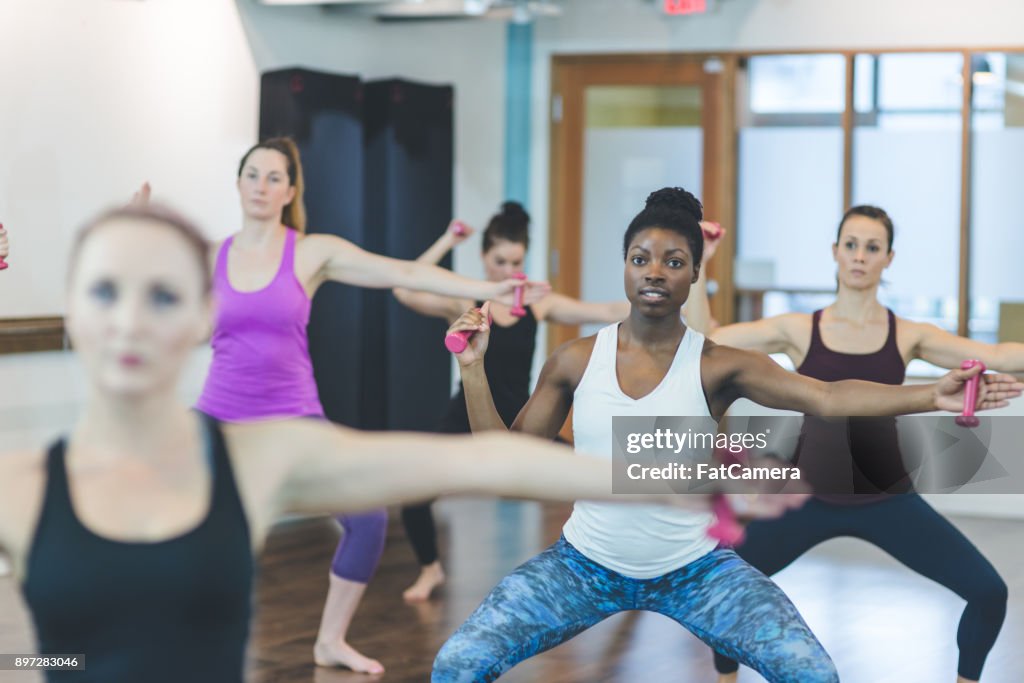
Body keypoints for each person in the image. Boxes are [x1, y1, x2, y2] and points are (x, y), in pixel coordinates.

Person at [0, 204, 806, 683]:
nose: (130, 318)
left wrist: (672, 479)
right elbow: (58, 661)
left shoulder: (261, 460)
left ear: (203, 317)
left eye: (163, 293)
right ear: (69, 308)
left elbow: (488, 456)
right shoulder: (17, 484)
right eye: (104, 289)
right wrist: (50, 669)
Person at [430, 189, 1021, 683]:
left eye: (674, 261)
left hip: (697, 571)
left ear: (693, 274)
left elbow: (827, 396)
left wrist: (929, 394)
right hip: (584, 565)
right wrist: (472, 369)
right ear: (626, 265)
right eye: (641, 259)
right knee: (457, 664)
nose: (655, 272)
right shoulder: (575, 359)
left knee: (813, 673)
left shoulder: (718, 364)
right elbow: (505, 462)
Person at [142, 138, 547, 673]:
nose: (261, 186)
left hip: (294, 418)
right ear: (238, 183)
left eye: (273, 177)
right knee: (149, 504)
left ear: (289, 190)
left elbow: (402, 273)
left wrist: (488, 287)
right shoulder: (211, 255)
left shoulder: (310, 252)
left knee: (368, 517)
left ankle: (330, 640)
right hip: (219, 413)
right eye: (252, 175)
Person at [686, 205, 1022, 683]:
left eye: (872, 247)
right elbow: (707, 339)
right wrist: (701, 263)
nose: (860, 256)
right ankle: (726, 677)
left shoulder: (907, 334)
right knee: (716, 584)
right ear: (835, 253)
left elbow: (996, 355)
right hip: (806, 498)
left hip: (888, 500)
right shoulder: (801, 328)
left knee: (989, 592)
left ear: (888, 258)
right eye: (851, 245)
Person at [394, 201, 661, 602]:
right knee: (413, 492)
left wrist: (665, 299)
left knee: (596, 478)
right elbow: (405, 289)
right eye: (499, 261)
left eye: (516, 262)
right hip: (465, 414)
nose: (507, 271)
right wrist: (449, 239)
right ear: (484, 258)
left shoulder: (539, 305)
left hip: (523, 421)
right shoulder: (463, 302)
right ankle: (430, 570)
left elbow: (606, 310)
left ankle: (635, 564)